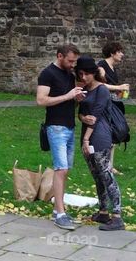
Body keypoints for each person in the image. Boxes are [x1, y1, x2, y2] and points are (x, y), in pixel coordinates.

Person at [36, 43, 84, 231]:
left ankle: (59, 210)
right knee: (60, 169)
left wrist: (77, 98)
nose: (73, 65)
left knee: (65, 171)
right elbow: (41, 100)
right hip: (55, 127)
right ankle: (60, 214)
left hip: (70, 126)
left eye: (75, 62)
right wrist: (68, 96)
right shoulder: (48, 73)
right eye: (70, 61)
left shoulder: (69, 74)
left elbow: (69, 97)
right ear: (60, 56)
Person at [75, 56, 125, 231]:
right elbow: (82, 113)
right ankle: (103, 211)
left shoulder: (102, 90)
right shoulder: (86, 89)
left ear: (93, 72)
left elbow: (95, 116)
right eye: (80, 74)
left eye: (86, 73)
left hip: (99, 136)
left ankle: (117, 215)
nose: (83, 77)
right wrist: (82, 116)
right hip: (87, 135)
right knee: (97, 176)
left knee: (106, 175)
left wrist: (87, 139)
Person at [97, 41, 130, 174]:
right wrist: (118, 87)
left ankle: (110, 165)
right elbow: (99, 84)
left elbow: (110, 88)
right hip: (104, 106)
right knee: (108, 135)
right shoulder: (101, 67)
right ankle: (105, 164)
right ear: (112, 53)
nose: (122, 54)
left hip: (114, 104)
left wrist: (119, 92)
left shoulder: (113, 68)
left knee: (114, 136)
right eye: (119, 51)